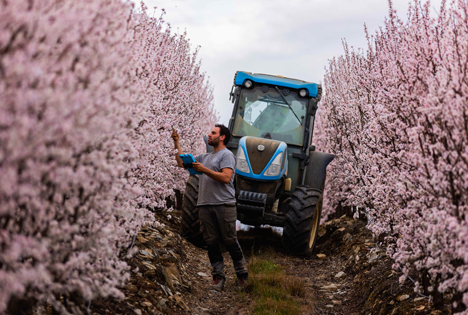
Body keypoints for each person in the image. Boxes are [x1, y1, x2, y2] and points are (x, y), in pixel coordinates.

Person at [171, 124, 248, 291]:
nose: (209, 135)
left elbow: (227, 177)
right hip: (205, 205)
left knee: (230, 241)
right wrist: (176, 143)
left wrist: (203, 170)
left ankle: (242, 276)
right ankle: (218, 277)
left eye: (213, 133)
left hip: (224, 204)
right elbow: (180, 163)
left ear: (222, 137)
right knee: (211, 243)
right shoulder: (204, 157)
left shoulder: (227, 155)